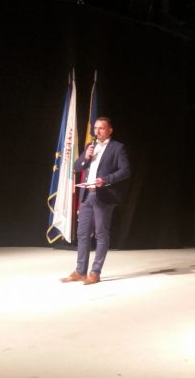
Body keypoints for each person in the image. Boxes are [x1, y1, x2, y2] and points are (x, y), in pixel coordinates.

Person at [60, 117, 131, 285]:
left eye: (101, 128)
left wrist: (106, 180)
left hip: (104, 196)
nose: (97, 131)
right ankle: (80, 271)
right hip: (87, 195)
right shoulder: (90, 147)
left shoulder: (117, 148)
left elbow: (125, 170)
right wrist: (86, 157)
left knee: (101, 234)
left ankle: (95, 272)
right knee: (82, 234)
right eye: (95, 128)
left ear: (109, 130)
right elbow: (77, 167)